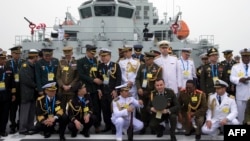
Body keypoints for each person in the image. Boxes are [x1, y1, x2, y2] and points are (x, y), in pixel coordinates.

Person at [77, 44, 102, 133]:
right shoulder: (81, 61)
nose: (93, 55)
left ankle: (97, 125)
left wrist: (99, 88)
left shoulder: (96, 61)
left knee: (96, 108)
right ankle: (83, 126)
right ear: (87, 52)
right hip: (85, 88)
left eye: (94, 53)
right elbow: (81, 75)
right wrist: (93, 80)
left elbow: (98, 75)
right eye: (92, 53)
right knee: (84, 107)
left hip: (94, 89)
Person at [135, 51, 162, 134]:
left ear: (152, 59)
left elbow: (159, 82)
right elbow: (137, 79)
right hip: (142, 92)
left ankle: (152, 126)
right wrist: (139, 88)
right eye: (145, 60)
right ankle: (144, 126)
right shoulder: (142, 67)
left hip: (152, 93)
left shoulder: (157, 68)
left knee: (152, 110)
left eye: (148, 60)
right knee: (143, 110)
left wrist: (153, 92)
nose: (146, 61)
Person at [97, 48, 122, 133]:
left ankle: (114, 127)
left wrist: (116, 90)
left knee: (114, 110)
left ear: (109, 56)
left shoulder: (115, 65)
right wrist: (98, 90)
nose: (103, 58)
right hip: (103, 92)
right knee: (105, 110)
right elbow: (98, 79)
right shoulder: (100, 66)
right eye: (102, 56)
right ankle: (107, 126)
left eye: (105, 56)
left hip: (112, 92)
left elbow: (119, 79)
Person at [19, 49, 39, 135]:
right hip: (26, 93)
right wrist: (36, 86)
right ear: (34, 57)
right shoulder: (25, 66)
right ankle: (23, 129)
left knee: (31, 111)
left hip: (32, 93)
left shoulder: (32, 65)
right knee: (25, 112)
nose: (37, 58)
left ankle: (30, 126)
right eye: (37, 57)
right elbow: (26, 79)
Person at [6, 45, 25, 134]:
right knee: (13, 109)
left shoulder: (23, 62)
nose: (18, 55)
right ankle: (12, 125)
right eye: (16, 53)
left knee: (22, 109)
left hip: (22, 89)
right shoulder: (8, 63)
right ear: (12, 54)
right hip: (12, 89)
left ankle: (20, 124)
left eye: (19, 54)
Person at [230, 48, 250, 124]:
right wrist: (239, 79)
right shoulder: (235, 67)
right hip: (241, 94)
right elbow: (231, 78)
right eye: (244, 57)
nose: (246, 58)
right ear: (242, 57)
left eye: (248, 56)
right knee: (241, 115)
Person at [56, 46, 79, 110]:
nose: (67, 56)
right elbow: (58, 76)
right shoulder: (61, 62)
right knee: (61, 108)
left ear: (72, 53)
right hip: (62, 90)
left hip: (71, 90)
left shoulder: (76, 62)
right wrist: (63, 85)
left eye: (69, 55)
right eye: (66, 55)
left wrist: (70, 86)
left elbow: (77, 77)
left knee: (71, 108)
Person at [0, 50, 13, 137]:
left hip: (6, 95)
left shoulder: (9, 69)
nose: (4, 60)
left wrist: (13, 94)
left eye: (4, 58)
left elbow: (12, 83)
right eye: (2, 59)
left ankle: (3, 130)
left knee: (5, 114)